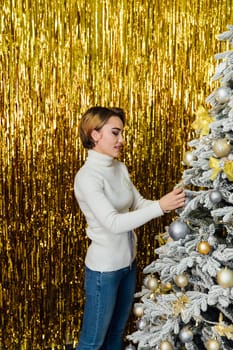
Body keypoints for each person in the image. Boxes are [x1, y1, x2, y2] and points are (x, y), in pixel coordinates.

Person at [74, 106, 185, 350]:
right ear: (95, 134)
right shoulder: (87, 177)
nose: (121, 140)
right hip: (104, 271)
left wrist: (165, 202)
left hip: (128, 265)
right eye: (115, 133)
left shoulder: (119, 168)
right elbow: (113, 222)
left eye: (122, 133)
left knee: (116, 336)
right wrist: (160, 207)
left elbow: (137, 203)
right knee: (93, 342)